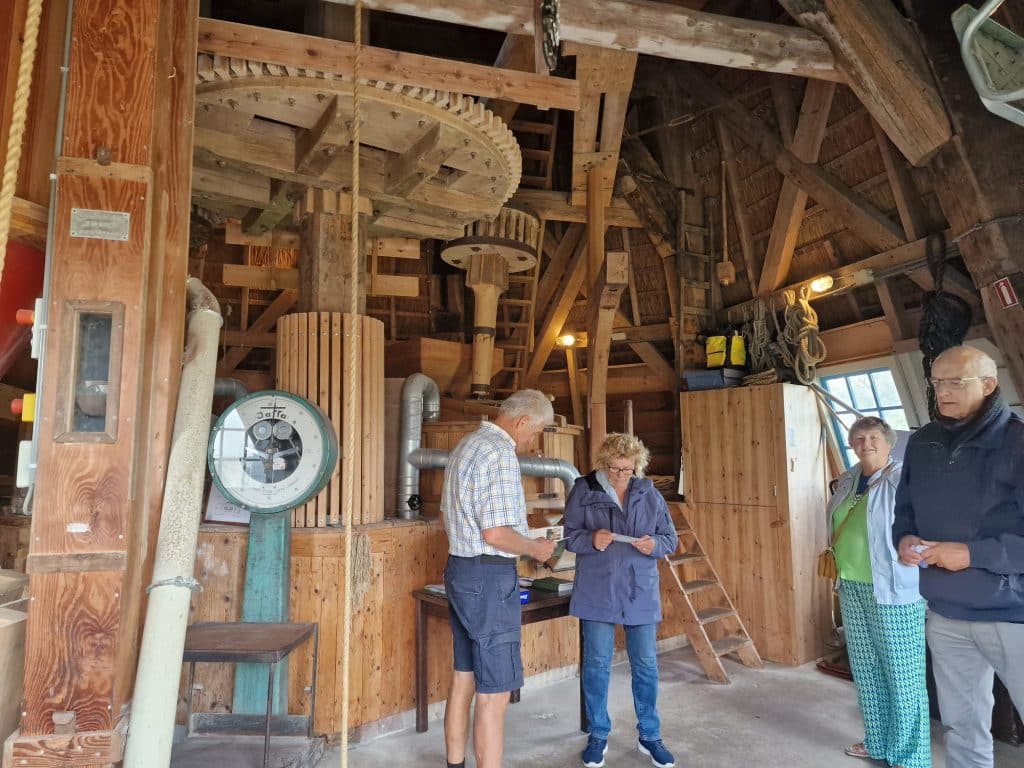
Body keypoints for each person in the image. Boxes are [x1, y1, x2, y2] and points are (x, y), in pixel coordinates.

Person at [893, 346, 1024, 768]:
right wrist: (904, 538)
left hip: (1011, 613)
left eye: (955, 382)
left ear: (989, 385)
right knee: (961, 727)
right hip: (945, 613)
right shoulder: (923, 441)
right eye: (935, 382)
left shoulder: (1017, 442)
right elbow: (905, 508)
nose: (941, 392)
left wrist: (972, 554)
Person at [440, 389, 557, 768]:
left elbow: (452, 518)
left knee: (464, 677)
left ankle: (454, 763)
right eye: (535, 431)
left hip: (460, 569)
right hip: (489, 578)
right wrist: (534, 548)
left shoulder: (466, 446)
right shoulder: (500, 453)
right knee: (495, 691)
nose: (532, 440)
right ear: (523, 421)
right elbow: (495, 534)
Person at [564, 433, 679, 768]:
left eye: (626, 469)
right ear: (603, 463)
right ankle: (598, 734)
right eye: (613, 468)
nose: (619, 475)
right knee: (597, 665)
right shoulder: (584, 489)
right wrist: (590, 539)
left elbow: (669, 539)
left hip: (639, 588)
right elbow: (568, 536)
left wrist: (653, 546)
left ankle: (650, 736)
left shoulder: (648, 492)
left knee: (645, 665)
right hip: (597, 588)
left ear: (637, 467)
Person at [826, 416, 929, 768]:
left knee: (903, 673)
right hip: (851, 584)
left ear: (888, 443)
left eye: (873, 438)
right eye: (858, 438)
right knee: (867, 669)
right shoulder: (848, 479)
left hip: (895, 589)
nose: (865, 443)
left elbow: (927, 524)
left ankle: (910, 755)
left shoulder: (904, 479)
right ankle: (878, 742)